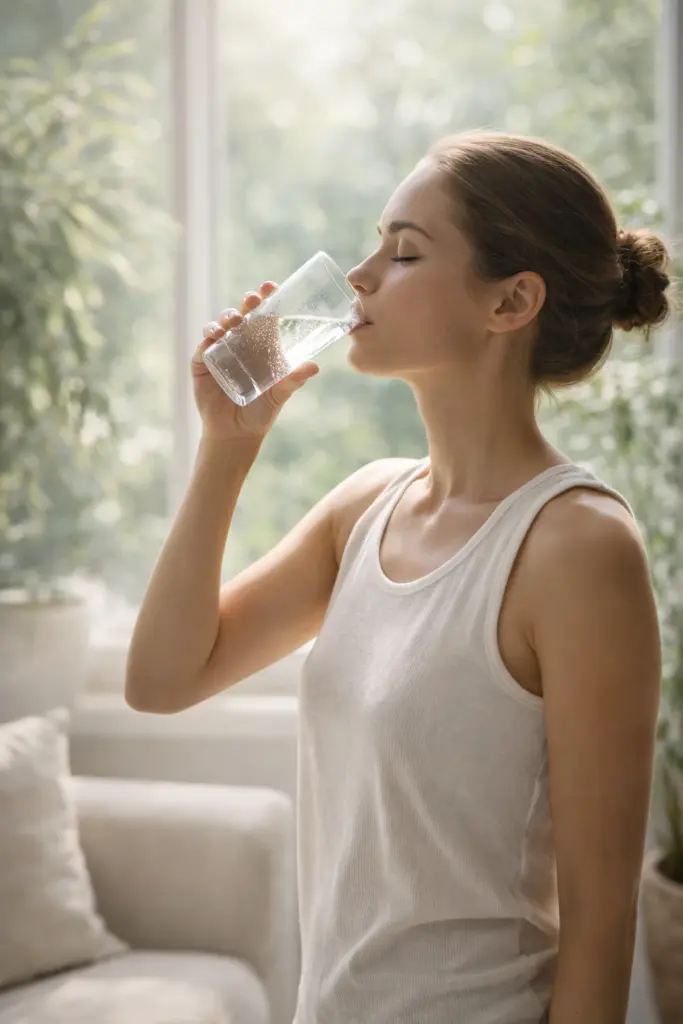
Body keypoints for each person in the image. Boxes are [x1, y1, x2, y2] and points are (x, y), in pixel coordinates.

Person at [126, 130, 670, 1024]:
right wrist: (227, 447)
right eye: (375, 244)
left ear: (510, 301)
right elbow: (160, 680)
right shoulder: (364, 506)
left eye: (404, 252)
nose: (359, 276)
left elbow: (601, 929)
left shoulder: (576, 548)